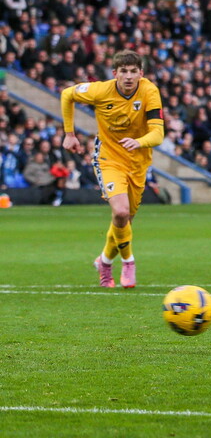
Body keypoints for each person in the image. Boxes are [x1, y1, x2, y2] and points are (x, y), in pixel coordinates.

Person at [60, 50, 165, 289]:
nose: (129, 77)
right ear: (115, 73)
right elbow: (67, 95)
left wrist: (139, 142)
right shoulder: (100, 90)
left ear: (141, 73)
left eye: (133, 72)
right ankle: (129, 262)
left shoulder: (149, 91)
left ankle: (105, 261)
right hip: (108, 158)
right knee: (120, 212)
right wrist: (69, 134)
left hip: (138, 162)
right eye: (124, 72)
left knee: (125, 219)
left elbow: (158, 133)